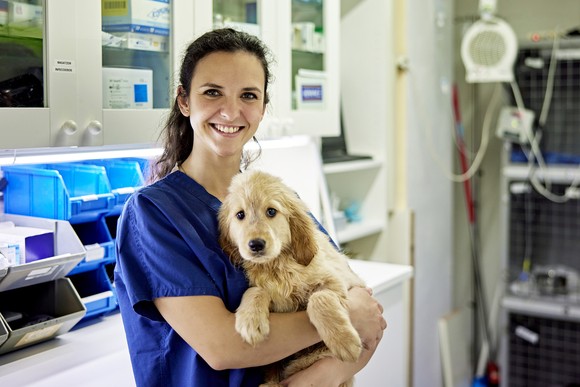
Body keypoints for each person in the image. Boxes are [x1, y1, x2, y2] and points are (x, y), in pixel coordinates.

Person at [114, 28, 386, 387]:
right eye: (212, 92)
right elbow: (223, 346)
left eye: (248, 95)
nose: (231, 111)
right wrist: (342, 315)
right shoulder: (154, 215)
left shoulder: (278, 200)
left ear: (262, 107)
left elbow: (365, 311)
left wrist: (322, 374)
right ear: (184, 100)